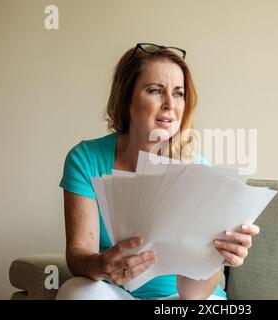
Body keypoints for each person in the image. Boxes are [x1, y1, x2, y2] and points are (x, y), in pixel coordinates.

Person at [55, 43, 260, 300]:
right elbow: (78, 257)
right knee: (76, 292)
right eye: (155, 90)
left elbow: (192, 295)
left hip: (178, 299)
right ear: (126, 98)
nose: (169, 104)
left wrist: (219, 256)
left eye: (178, 93)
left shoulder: (201, 173)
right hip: (115, 292)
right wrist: (101, 265)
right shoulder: (85, 159)